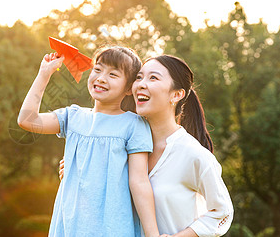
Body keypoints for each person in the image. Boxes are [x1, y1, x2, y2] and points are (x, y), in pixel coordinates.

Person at [59, 54, 234, 237]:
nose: (141, 84)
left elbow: (222, 212)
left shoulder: (192, 154)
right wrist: (77, 170)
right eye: (139, 77)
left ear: (176, 94)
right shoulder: (119, 143)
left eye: (153, 78)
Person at [18, 46, 160, 237]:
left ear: (128, 88)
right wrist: (44, 74)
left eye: (113, 74)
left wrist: (153, 234)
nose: (101, 78)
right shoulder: (72, 117)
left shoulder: (133, 125)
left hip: (113, 228)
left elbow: (139, 182)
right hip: (69, 226)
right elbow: (27, 121)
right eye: (98, 69)